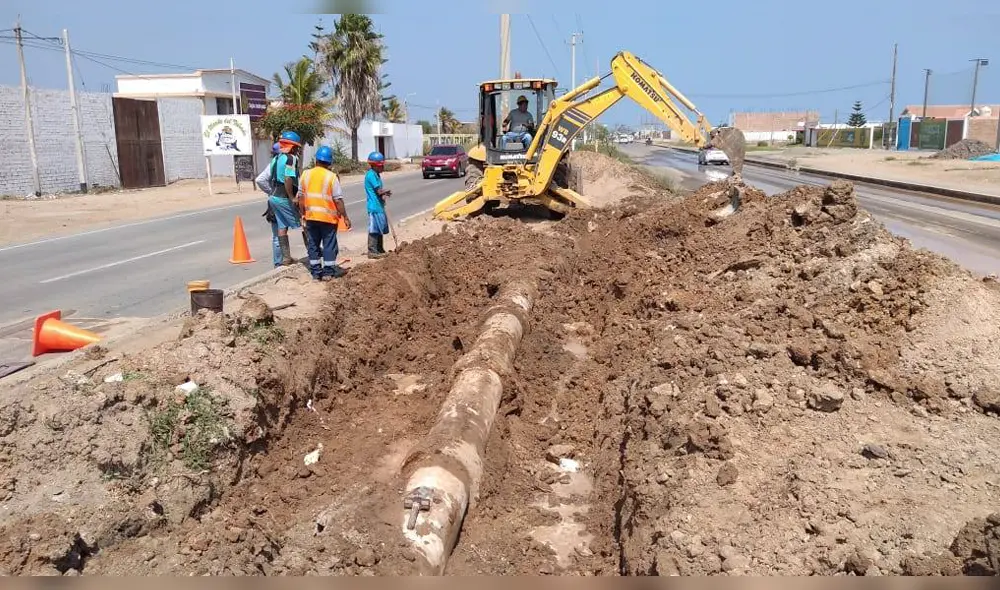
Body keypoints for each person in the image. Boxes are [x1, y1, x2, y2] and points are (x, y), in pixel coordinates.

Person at [297, 146, 351, 281]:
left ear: (316, 160)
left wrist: (302, 214)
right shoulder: (332, 177)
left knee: (313, 244)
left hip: (311, 217)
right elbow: (338, 200)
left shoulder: (305, 174)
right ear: (330, 162)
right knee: (329, 245)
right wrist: (345, 217)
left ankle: (316, 273)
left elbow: (301, 198)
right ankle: (328, 273)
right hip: (328, 218)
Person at [267, 130, 303, 267]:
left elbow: (271, 178)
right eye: (297, 147)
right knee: (303, 222)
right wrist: (292, 197)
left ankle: (286, 258)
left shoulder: (276, 159)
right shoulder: (291, 158)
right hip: (283, 197)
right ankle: (314, 254)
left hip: (274, 196)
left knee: (282, 227)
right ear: (293, 146)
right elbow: (288, 178)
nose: (298, 149)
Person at [364, 151, 392, 259]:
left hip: (379, 206)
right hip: (374, 206)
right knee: (374, 229)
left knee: (380, 228)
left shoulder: (376, 175)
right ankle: (372, 251)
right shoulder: (371, 175)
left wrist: (384, 194)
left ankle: (380, 249)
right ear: (375, 165)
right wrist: (385, 192)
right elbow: (378, 191)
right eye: (381, 165)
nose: (382, 167)